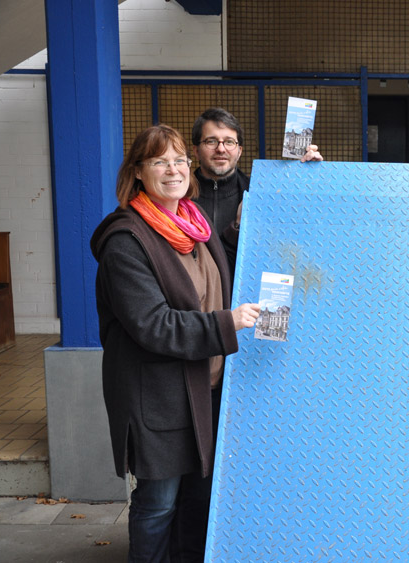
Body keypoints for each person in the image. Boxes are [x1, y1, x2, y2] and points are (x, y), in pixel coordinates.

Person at [90, 124, 261, 562]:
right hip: (159, 398)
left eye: (179, 160)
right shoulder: (126, 241)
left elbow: (215, 276)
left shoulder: (194, 224)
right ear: (138, 172)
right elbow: (153, 324)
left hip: (206, 391)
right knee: (159, 504)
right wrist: (227, 323)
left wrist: (297, 175)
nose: (174, 170)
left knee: (198, 501)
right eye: (159, 162)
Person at [190, 107, 322, 273]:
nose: (221, 149)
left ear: (239, 151)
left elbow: (297, 234)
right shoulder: (179, 197)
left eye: (229, 142)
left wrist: (309, 178)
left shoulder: (258, 195)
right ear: (196, 151)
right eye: (211, 141)